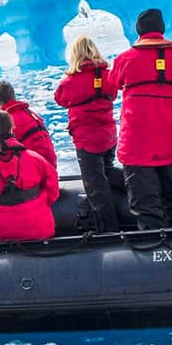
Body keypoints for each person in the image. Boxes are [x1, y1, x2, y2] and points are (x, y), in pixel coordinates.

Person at [109, 8, 172, 229]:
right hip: (168, 138)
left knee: (145, 203)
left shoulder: (125, 60)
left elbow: (113, 83)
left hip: (137, 142)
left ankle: (154, 250)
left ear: (138, 31)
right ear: (162, 29)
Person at [53, 34, 120, 233]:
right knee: (108, 171)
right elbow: (114, 93)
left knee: (95, 186)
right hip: (108, 135)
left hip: (87, 140)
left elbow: (60, 99)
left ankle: (108, 231)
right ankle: (138, 188)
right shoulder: (108, 74)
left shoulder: (70, 81)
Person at [0, 110, 59, 241]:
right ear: (12, 128)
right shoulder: (35, 159)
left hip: (4, 234)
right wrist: (39, 206)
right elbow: (53, 190)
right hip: (41, 229)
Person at [0, 80, 58, 173]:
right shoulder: (31, 113)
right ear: (13, 97)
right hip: (51, 167)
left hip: (34, 171)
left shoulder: (6, 121)